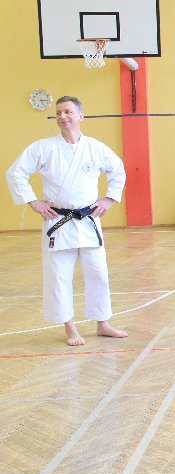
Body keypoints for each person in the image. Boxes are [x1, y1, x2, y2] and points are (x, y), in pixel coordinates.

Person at [5, 96, 128, 347]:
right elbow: (16, 173)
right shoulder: (44, 148)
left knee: (99, 274)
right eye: (59, 112)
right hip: (58, 222)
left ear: (81, 116)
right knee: (59, 277)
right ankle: (69, 327)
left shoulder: (95, 147)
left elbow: (118, 170)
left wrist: (109, 199)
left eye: (68, 112)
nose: (63, 116)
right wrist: (34, 202)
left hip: (89, 219)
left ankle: (103, 323)